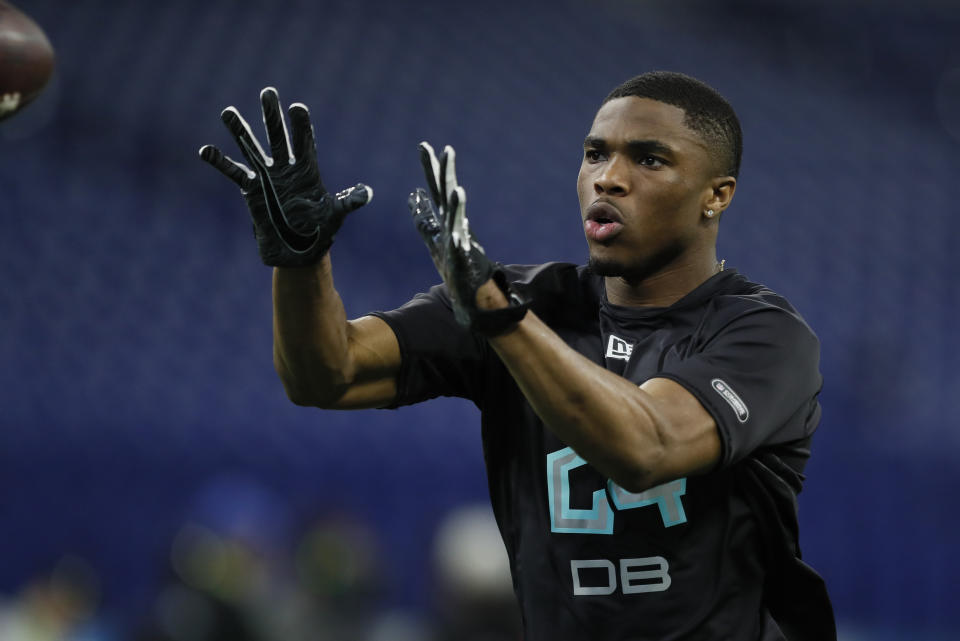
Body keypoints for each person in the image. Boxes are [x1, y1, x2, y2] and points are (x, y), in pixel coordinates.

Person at [199, 71, 836, 641]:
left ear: (716, 195)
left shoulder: (764, 335)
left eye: (649, 159)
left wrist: (499, 318)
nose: (608, 177)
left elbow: (648, 450)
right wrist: (301, 260)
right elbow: (326, 376)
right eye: (595, 154)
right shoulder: (525, 300)